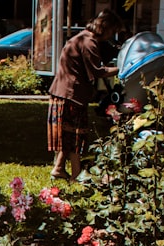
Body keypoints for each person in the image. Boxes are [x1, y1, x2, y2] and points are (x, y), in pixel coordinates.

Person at [47, 10, 123, 180]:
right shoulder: (89, 42)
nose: (112, 35)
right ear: (105, 27)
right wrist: (123, 68)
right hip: (71, 94)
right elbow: (97, 71)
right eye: (112, 31)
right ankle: (76, 176)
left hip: (63, 92)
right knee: (76, 136)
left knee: (69, 135)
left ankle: (60, 168)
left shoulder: (81, 37)